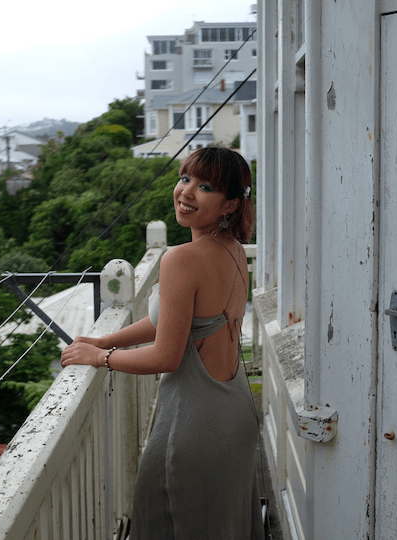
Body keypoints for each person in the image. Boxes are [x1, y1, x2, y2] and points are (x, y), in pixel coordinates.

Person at [61, 147, 264, 539]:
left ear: (230, 204)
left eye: (205, 186)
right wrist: (103, 339)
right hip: (235, 414)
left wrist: (102, 357)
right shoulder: (234, 251)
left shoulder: (181, 259)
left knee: (167, 523)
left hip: (194, 427)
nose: (186, 191)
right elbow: (170, 322)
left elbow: (166, 356)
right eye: (185, 179)